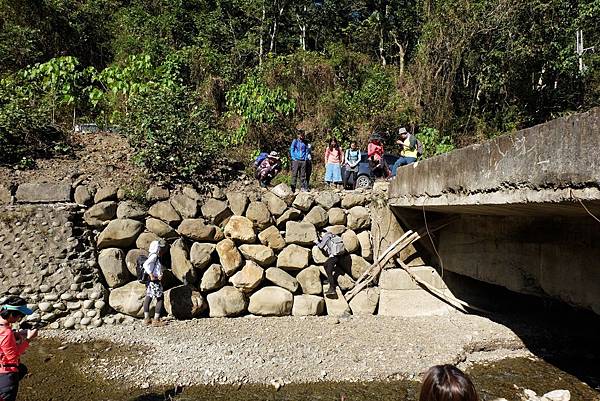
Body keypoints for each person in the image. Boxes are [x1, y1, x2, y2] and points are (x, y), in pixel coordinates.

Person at [0, 297, 37, 401]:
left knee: (22, 369)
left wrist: (15, 334)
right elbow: (13, 356)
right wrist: (29, 339)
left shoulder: (3, 326)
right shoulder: (6, 333)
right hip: (6, 374)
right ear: (12, 314)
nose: (19, 319)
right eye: (20, 316)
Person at [143, 240, 168, 327]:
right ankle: (156, 320)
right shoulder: (154, 256)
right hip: (154, 280)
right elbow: (145, 264)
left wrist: (159, 273)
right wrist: (152, 275)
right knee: (160, 298)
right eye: (160, 247)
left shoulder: (152, 255)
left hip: (150, 281)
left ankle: (146, 319)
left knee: (149, 297)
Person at [315, 231, 346, 297]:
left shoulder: (326, 236)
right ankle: (329, 279)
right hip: (338, 256)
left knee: (329, 271)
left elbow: (321, 246)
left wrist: (316, 242)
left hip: (334, 257)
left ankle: (332, 289)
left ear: (321, 234)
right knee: (325, 265)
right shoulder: (333, 235)